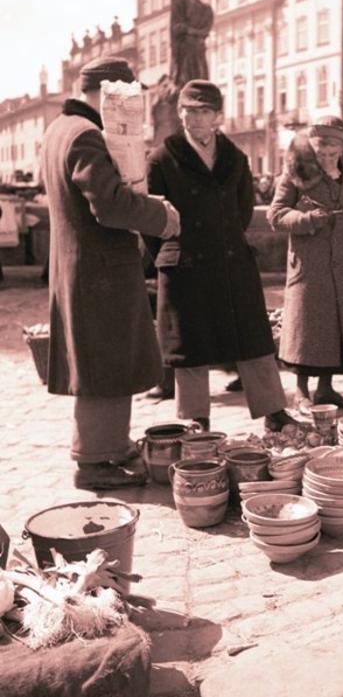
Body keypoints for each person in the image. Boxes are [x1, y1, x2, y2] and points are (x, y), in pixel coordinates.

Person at [41, 56, 181, 490]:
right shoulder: (85, 135)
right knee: (104, 365)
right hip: (97, 271)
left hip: (84, 267)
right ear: (108, 94)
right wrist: (161, 215)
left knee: (102, 362)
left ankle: (111, 447)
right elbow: (110, 205)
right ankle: (96, 462)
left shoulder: (60, 129)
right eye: (126, 97)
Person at [145, 80, 298, 432]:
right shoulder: (163, 157)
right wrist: (171, 252)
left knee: (253, 339)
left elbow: (243, 211)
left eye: (203, 111)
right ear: (179, 112)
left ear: (217, 116)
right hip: (185, 262)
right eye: (188, 110)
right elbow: (150, 219)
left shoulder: (234, 157)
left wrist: (223, 238)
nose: (194, 118)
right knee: (190, 348)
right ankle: (195, 419)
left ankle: (273, 410)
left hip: (230, 259)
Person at [268, 117, 343, 410]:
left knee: (335, 326)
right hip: (309, 267)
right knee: (308, 328)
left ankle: (326, 388)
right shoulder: (295, 175)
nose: (327, 158)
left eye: (333, 153)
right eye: (321, 153)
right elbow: (275, 215)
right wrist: (307, 220)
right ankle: (301, 391)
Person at [170, 0, 214, 87]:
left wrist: (188, 30)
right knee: (186, 83)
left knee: (202, 84)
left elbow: (206, 30)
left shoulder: (207, 10)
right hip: (186, 52)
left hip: (199, 52)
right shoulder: (184, 1)